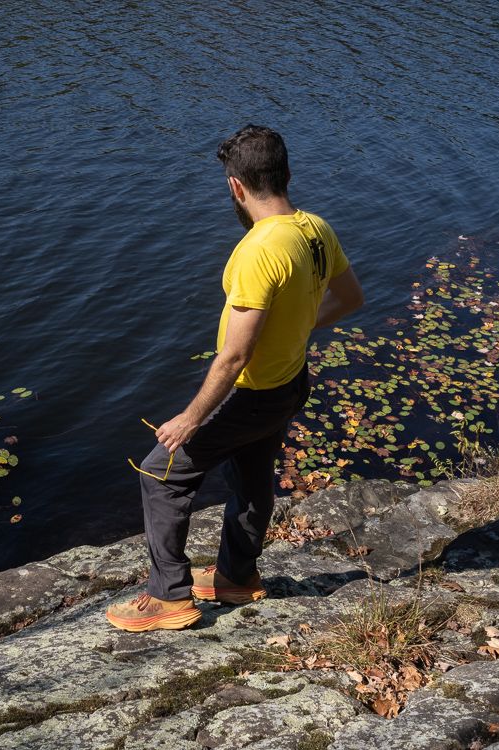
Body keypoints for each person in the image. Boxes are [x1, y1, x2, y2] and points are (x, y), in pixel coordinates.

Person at [106, 125, 365, 632]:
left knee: (160, 474)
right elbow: (351, 298)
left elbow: (234, 355)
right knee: (251, 476)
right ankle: (235, 576)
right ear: (287, 174)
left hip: (250, 394)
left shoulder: (258, 250)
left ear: (235, 187)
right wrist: (297, 322)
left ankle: (169, 597)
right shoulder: (315, 229)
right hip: (289, 383)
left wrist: (189, 417)